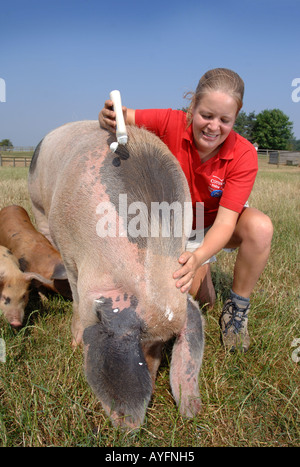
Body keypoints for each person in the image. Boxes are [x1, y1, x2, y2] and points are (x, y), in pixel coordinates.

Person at [98, 68, 273, 353]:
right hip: (172, 223)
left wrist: (198, 255)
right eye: (206, 115)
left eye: (224, 120)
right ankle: (199, 276)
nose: (213, 126)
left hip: (213, 225)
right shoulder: (170, 121)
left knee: (260, 227)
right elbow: (122, 114)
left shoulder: (243, 154)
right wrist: (106, 117)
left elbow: (226, 223)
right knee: (197, 299)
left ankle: (237, 310)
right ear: (192, 108)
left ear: (235, 120)